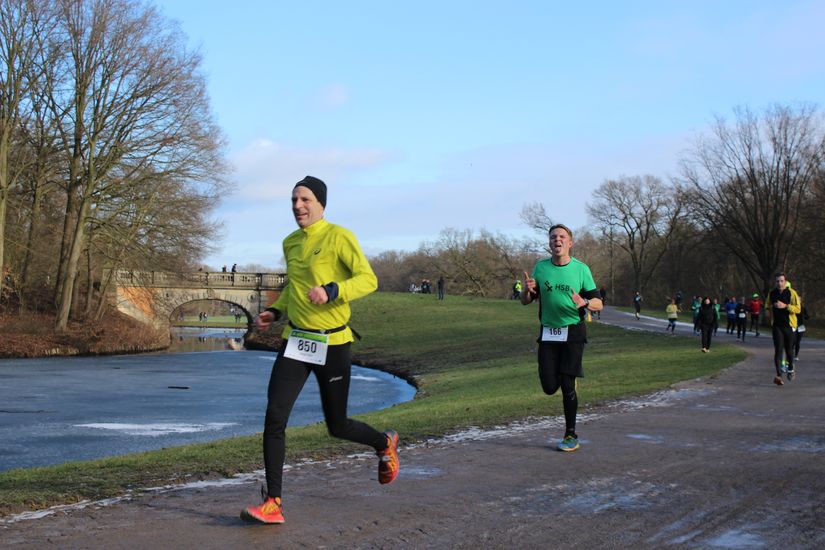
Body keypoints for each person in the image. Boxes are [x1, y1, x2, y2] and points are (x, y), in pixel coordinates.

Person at [241, 176, 399, 525]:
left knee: (337, 424)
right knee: (275, 416)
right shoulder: (291, 242)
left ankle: (383, 443)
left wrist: (332, 290)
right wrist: (276, 311)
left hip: (333, 342)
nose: (298, 206)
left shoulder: (339, 236)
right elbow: (293, 289)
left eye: (305, 200)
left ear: (321, 204)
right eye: (294, 200)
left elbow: (367, 279)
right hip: (297, 341)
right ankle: (274, 502)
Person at [521, 224, 603, 452]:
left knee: (567, 384)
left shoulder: (581, 269)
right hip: (548, 332)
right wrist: (526, 290)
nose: (557, 240)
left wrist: (585, 302)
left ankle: (570, 434)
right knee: (549, 386)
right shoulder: (540, 268)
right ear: (549, 243)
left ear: (570, 243)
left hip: (573, 331)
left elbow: (598, 303)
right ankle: (565, 373)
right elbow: (526, 300)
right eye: (553, 237)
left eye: (562, 237)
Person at [766, 273, 801, 385]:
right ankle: (779, 376)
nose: (779, 283)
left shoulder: (792, 293)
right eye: (777, 281)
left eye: (781, 281)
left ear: (785, 282)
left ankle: (790, 367)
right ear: (775, 282)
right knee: (778, 350)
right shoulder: (772, 293)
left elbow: (798, 309)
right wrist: (771, 308)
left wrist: (785, 306)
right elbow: (767, 305)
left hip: (789, 326)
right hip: (777, 326)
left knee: (789, 349)